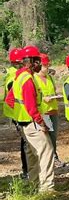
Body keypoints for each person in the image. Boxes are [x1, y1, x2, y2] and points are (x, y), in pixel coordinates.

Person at [5, 46, 55, 192]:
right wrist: (41, 123)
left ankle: (33, 183)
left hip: (24, 124)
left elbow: (10, 100)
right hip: (32, 123)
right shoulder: (27, 79)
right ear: (31, 62)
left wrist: (19, 118)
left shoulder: (20, 76)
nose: (41, 64)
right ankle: (47, 187)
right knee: (47, 151)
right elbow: (31, 107)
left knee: (33, 155)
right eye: (38, 61)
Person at [34, 53, 64, 167]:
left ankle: (54, 157)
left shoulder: (50, 78)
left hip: (53, 111)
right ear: (40, 65)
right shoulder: (34, 78)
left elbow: (53, 91)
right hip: (43, 112)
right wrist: (44, 99)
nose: (48, 67)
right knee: (45, 138)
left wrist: (56, 96)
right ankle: (47, 160)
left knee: (53, 136)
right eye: (46, 65)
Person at [3, 48, 29, 178]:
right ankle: (27, 170)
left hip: (19, 113)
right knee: (26, 142)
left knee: (26, 141)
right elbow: (12, 97)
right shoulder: (14, 76)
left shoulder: (15, 73)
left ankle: (28, 169)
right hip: (18, 114)